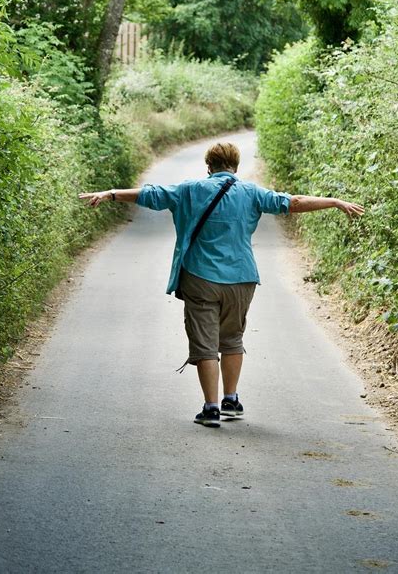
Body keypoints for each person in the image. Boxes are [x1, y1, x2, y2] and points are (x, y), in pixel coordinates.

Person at [79, 142, 364, 428]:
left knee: (204, 344)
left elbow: (153, 195)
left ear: (209, 167)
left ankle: (211, 407)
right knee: (232, 339)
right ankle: (231, 398)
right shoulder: (251, 192)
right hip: (241, 279)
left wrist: (111, 194)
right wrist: (334, 201)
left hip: (200, 278)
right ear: (236, 167)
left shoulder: (191, 190)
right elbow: (293, 203)